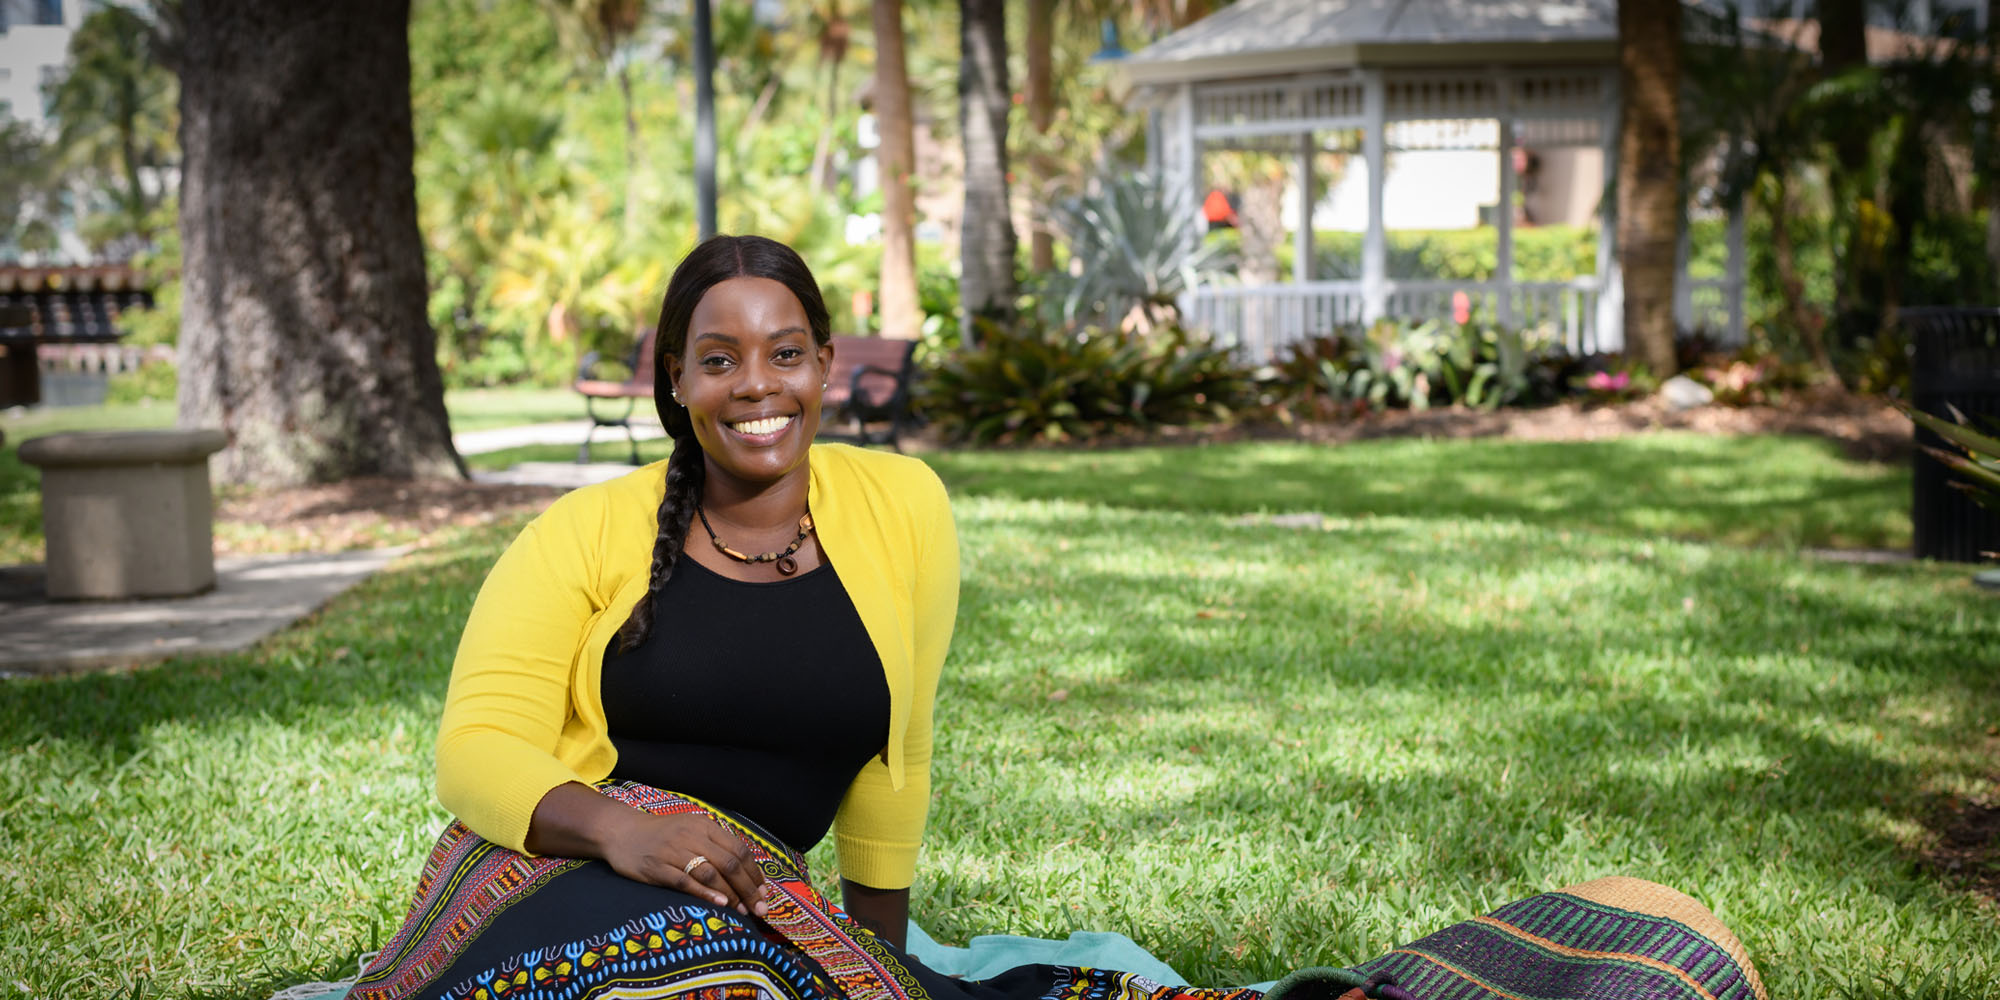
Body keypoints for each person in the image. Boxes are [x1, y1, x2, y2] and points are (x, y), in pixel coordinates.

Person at [351, 235, 1768, 1000]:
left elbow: (894, 753)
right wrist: (629, 830)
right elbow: (474, 752)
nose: (755, 384)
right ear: (672, 381)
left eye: (784, 351)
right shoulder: (579, 537)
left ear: (828, 365)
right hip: (572, 876)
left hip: (764, 905)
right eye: (716, 359)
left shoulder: (902, 508)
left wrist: (879, 956)